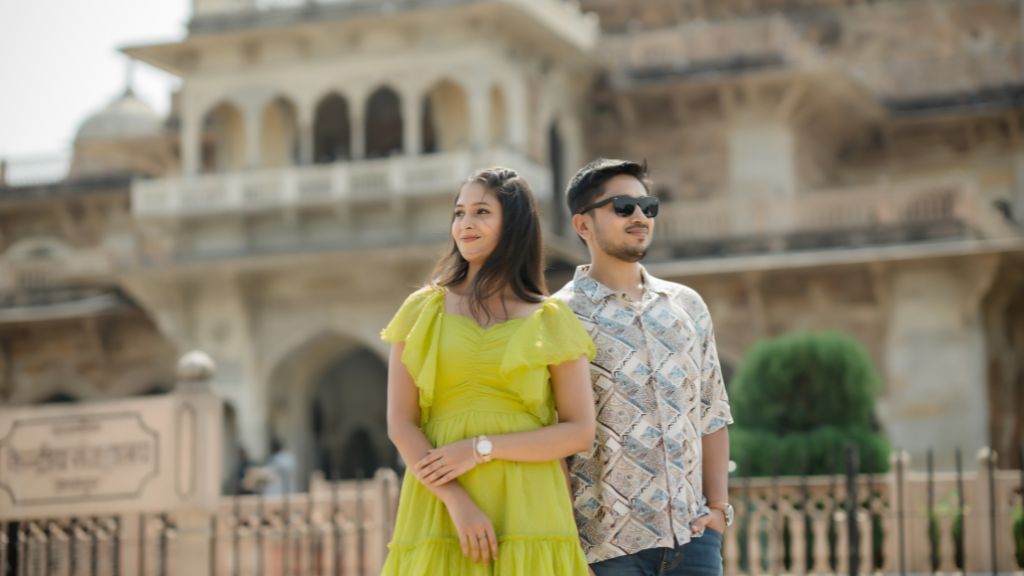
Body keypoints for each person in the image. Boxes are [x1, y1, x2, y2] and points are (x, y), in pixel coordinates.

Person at [381, 167, 596, 575]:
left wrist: (479, 449)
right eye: (459, 213)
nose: (465, 224)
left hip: (530, 504)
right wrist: (457, 502)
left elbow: (579, 430)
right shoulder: (423, 309)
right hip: (440, 504)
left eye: (481, 212)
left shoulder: (550, 319)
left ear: (513, 224)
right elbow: (401, 424)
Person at [553, 159, 734, 576]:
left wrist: (719, 510)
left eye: (648, 207)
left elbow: (712, 412)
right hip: (605, 548)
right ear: (583, 226)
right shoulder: (559, 316)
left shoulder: (686, 306)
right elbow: (553, 432)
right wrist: (567, 539)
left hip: (694, 540)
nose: (639, 217)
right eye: (622, 207)